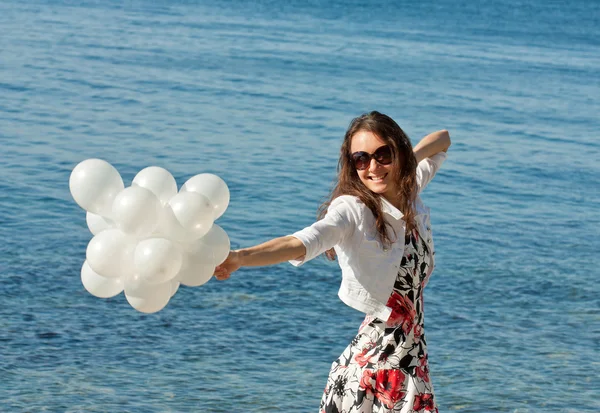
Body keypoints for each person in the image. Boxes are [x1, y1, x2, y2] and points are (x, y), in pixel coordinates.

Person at [214, 111, 450, 413]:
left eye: (383, 154)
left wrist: (405, 163)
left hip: (409, 358)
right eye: (361, 159)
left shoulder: (409, 191)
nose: (373, 167)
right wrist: (239, 258)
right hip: (378, 368)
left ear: (398, 151)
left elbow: (443, 139)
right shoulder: (352, 211)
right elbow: (300, 242)